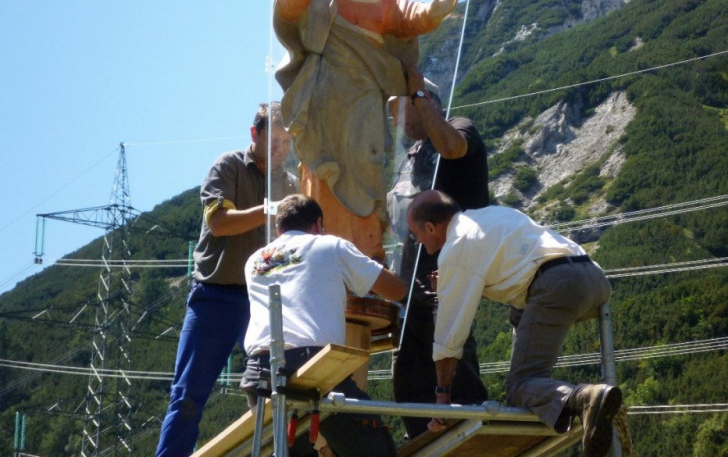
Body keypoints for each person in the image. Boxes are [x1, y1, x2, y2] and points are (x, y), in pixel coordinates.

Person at [273, 0, 459, 259]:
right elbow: (286, 4)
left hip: (365, 104)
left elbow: (406, 15)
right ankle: (324, 258)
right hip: (323, 100)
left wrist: (431, 13)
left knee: (368, 175)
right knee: (322, 173)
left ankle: (365, 261)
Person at [406, 190, 621, 457]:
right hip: (592, 278)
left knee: (521, 386)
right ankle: (572, 402)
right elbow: (512, 272)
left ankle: (583, 399)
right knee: (518, 318)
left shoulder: (455, 248)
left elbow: (450, 336)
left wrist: (442, 397)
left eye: (416, 234)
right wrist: (453, 281)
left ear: (430, 226)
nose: (417, 241)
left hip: (556, 284)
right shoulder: (493, 215)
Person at [155, 103, 298, 457]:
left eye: (287, 141)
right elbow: (220, 222)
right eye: (274, 139)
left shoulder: (292, 184)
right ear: (255, 134)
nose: (281, 148)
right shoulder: (228, 166)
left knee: (278, 390)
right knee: (188, 395)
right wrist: (269, 210)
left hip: (264, 302)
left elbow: (294, 250)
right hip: (215, 298)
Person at [240, 194, 408, 457]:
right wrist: (372, 266)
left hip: (259, 373)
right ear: (318, 223)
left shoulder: (254, 261)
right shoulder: (330, 245)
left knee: (292, 450)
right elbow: (395, 290)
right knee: (372, 444)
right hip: (312, 367)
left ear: (278, 229)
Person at [386, 64, 488, 439]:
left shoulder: (459, 127)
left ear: (425, 100)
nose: (394, 119)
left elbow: (451, 147)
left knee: (453, 362)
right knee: (408, 375)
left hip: (450, 274)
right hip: (409, 288)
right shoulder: (408, 158)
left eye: (399, 108)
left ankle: (470, 438)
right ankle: (423, 441)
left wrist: (415, 93)